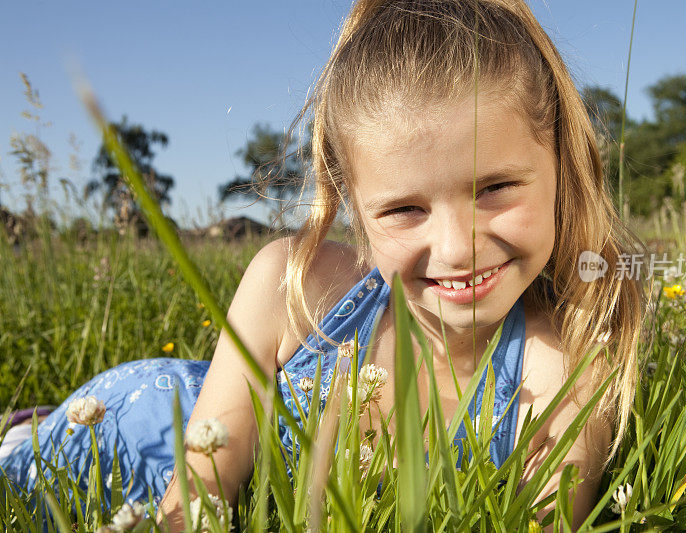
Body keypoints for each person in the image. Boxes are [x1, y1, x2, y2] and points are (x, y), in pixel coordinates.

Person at [1, 0, 646, 530]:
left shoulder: (564, 364)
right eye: (403, 210)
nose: (456, 248)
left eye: (496, 188)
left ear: (560, 167)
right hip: (134, 435)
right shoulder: (294, 284)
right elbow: (195, 497)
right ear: (353, 213)